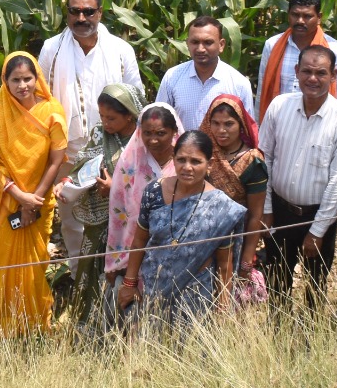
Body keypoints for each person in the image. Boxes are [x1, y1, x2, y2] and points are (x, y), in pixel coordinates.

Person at [37, 0, 144, 258]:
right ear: (67, 12)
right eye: (75, 11)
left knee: (117, 218)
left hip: (114, 151)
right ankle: (78, 280)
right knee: (71, 222)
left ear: (100, 12)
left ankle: (110, 284)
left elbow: (137, 99)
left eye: (88, 11)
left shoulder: (121, 50)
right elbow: (41, 99)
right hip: (67, 153)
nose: (81, 18)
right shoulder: (52, 49)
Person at [259, 47, 337, 309]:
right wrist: (268, 209)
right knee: (277, 281)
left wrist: (317, 232)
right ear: (296, 72)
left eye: (321, 73)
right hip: (280, 212)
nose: (313, 79)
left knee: (315, 285)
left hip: (318, 216)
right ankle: (277, 337)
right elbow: (265, 159)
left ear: (333, 75)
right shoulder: (279, 107)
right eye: (307, 71)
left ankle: (311, 339)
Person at [0, 53, 68, 343]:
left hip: (40, 202)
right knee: (4, 263)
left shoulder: (52, 111)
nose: (22, 85)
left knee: (35, 265)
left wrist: (35, 199)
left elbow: (56, 160)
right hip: (7, 201)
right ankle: (3, 330)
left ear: (37, 78)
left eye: (27, 78)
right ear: (5, 81)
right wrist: (20, 196)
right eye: (15, 79)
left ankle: (35, 327)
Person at [116, 132, 247, 323]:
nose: (187, 167)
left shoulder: (220, 206)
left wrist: (223, 306)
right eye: (181, 160)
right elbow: (139, 241)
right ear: (173, 159)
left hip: (196, 294)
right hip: (155, 290)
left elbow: (224, 264)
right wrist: (129, 283)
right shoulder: (154, 193)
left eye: (196, 161)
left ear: (209, 165)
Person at [62, 84, 140, 326]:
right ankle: (89, 324)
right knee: (92, 268)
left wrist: (114, 189)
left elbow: (151, 178)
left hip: (133, 225)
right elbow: (83, 163)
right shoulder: (99, 133)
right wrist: (67, 183)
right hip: (99, 221)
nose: (105, 122)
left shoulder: (145, 136)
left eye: (112, 118)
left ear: (129, 114)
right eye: (102, 116)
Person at [105, 103, 181, 287]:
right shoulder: (130, 163)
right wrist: (117, 259)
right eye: (147, 133)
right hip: (135, 248)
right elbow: (118, 213)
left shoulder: (184, 165)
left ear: (174, 132)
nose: (153, 140)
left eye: (160, 133)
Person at [200, 94, 266, 292]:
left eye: (229, 124)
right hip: (204, 238)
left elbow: (255, 215)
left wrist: (247, 259)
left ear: (241, 125)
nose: (221, 130)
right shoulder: (202, 155)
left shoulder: (251, 162)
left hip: (237, 239)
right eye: (216, 123)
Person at [257, 0, 337, 122]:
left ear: (319, 17)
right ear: (288, 14)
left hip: (320, 127)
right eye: (295, 15)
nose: (300, 21)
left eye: (307, 16)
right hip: (280, 124)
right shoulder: (272, 46)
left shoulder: (336, 51)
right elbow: (262, 91)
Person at [155, 16, 256, 131]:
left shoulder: (239, 83)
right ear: (187, 43)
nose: (200, 49)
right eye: (195, 42)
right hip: (181, 149)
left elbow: (247, 130)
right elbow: (158, 121)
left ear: (221, 45)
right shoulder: (172, 77)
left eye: (208, 42)